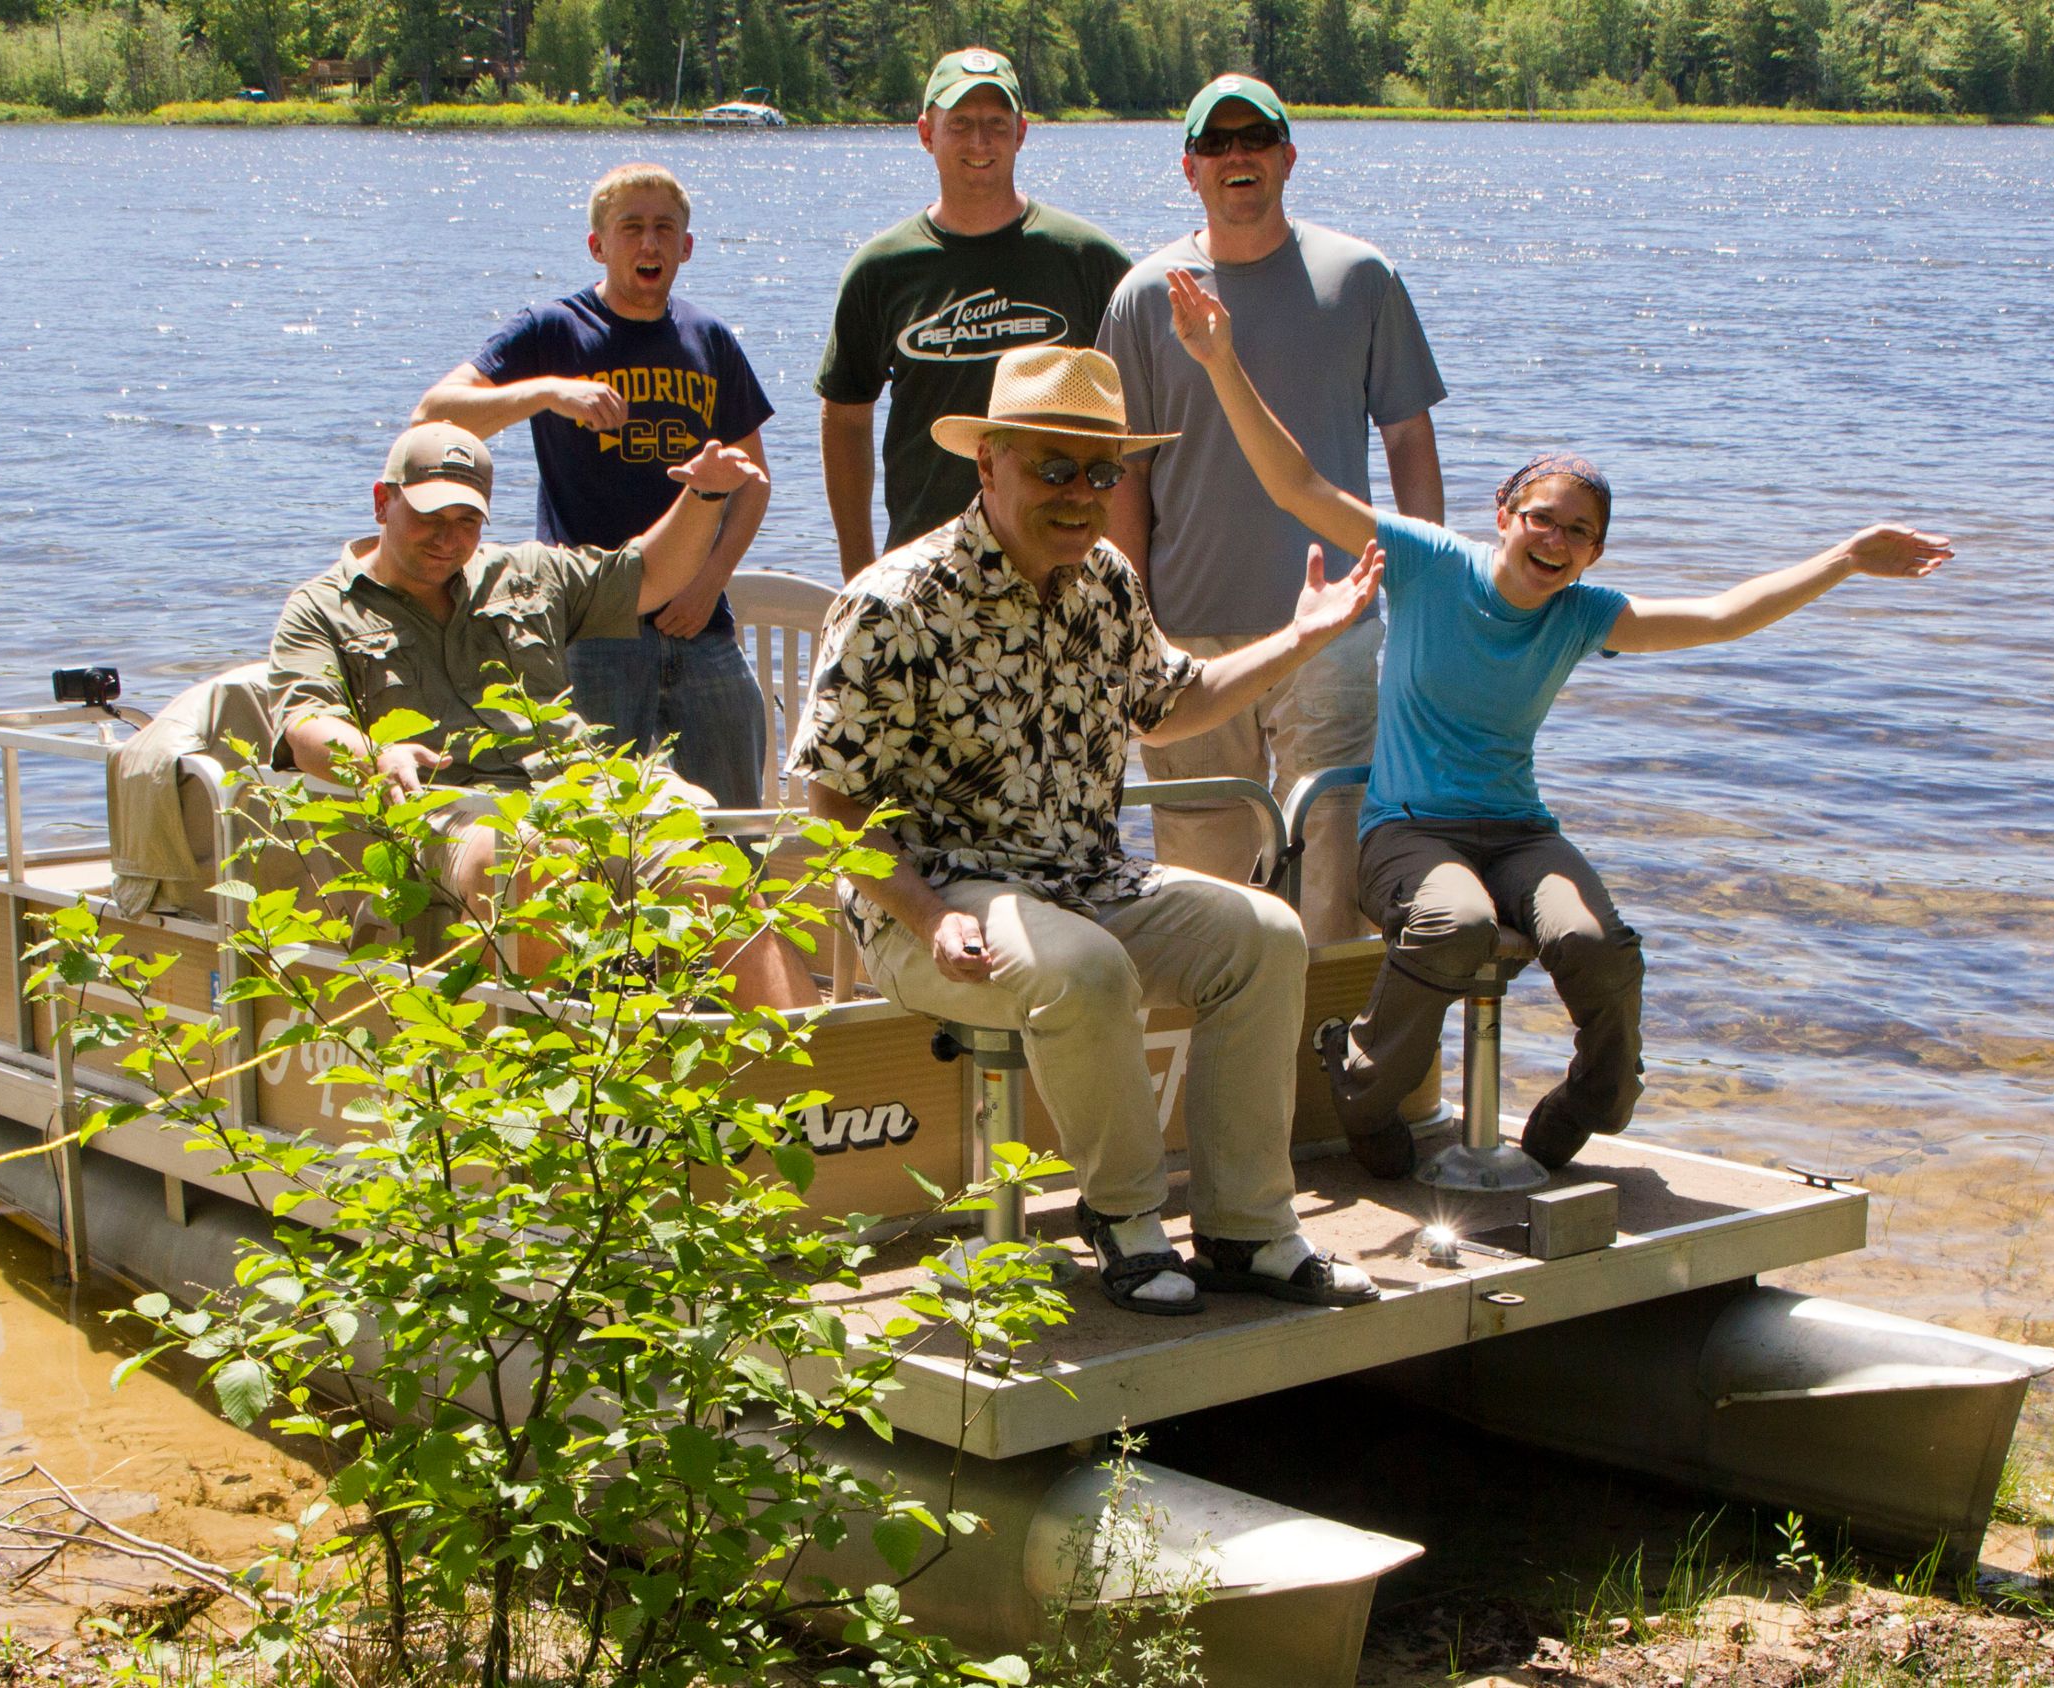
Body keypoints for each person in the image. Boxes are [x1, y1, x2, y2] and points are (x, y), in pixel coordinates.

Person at [1160, 269, 1953, 1175]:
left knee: (1593, 945)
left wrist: (1846, 558)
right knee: (1452, 927)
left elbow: (1726, 614)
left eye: (1579, 534)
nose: (1556, 541)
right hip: (1409, 832)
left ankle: (1590, 1101)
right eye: (1542, 519)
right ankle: (1362, 1080)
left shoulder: (1581, 615)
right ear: (1505, 516)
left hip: (1519, 832)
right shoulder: (1429, 562)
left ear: (1595, 553)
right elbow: (1297, 483)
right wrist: (1221, 361)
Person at [792, 344, 1384, 1317]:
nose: (1081, 494)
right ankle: (1124, 1217)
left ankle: (1247, 1227)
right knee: (1085, 966)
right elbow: (831, 803)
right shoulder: (895, 604)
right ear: (988, 464)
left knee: (1266, 936)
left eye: (1102, 471)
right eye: (1053, 467)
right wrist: (926, 910)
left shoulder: (1104, 577)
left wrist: (1303, 637)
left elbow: (1171, 700)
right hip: (932, 902)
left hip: (1090, 883)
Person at [269, 419, 817, 1012]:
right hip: (444, 804)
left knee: (704, 856)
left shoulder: (528, 572)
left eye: (466, 522)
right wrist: (378, 755)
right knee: (517, 860)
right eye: (428, 518)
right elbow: (305, 722)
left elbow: (650, 576)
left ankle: (809, 1066)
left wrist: (704, 496)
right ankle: (526, 1081)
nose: (447, 539)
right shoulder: (321, 606)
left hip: (579, 787)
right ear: (383, 501)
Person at [1097, 73, 1446, 951]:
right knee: (1201, 874)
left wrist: (1424, 591)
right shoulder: (1146, 296)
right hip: (1189, 633)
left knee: (1333, 852)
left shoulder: (1360, 277)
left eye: (1255, 137)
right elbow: (1122, 479)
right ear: (1190, 169)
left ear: (1289, 156)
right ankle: (1218, 1062)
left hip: (1334, 627)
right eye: (1216, 144)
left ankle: (1325, 1061)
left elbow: (1408, 439)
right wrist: (1131, 623)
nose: (1237, 156)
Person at [412, 163, 777, 809]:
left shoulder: (710, 338)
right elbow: (434, 414)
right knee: (598, 827)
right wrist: (548, 392)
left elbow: (754, 481)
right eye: (631, 228)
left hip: (699, 621)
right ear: (597, 245)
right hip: (592, 628)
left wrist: (712, 578)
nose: (649, 244)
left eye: (665, 229)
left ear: (687, 247)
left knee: (736, 822)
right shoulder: (556, 329)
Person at [815, 47, 1131, 577]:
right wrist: (859, 572)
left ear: (1022, 132)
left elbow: (1137, 422)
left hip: (1064, 566)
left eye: (995, 123)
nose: (979, 141)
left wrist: (1123, 562)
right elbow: (845, 419)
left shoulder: (1088, 259)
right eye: (959, 123)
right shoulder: (881, 269)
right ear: (925, 133)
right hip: (924, 571)